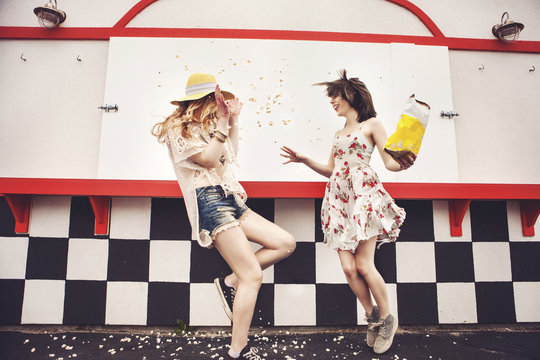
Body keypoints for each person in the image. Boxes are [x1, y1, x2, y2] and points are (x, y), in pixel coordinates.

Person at [153, 72, 296, 359]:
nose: (218, 107)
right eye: (215, 101)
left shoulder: (209, 127)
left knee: (285, 243)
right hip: (209, 200)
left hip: (230, 197)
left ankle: (230, 282)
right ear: (202, 101)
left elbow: (229, 154)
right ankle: (237, 349)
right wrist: (221, 122)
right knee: (253, 276)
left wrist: (232, 121)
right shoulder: (179, 130)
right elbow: (206, 160)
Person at [280, 69, 416, 355]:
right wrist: (305, 160)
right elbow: (332, 169)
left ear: (352, 94)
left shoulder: (372, 124)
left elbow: (389, 164)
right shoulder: (339, 132)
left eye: (335, 96)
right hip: (339, 199)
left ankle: (388, 319)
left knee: (365, 265)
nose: (332, 101)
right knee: (348, 267)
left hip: (364, 194)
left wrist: (404, 163)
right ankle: (373, 317)